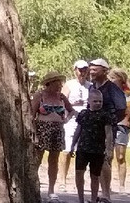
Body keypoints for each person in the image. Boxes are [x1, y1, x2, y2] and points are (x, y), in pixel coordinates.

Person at [88, 57, 127, 203]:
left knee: (105, 159)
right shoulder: (92, 87)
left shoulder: (112, 88)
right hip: (92, 129)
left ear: (104, 71)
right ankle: (96, 195)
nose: (91, 72)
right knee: (94, 159)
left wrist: (110, 122)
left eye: (95, 69)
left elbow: (121, 109)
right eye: (91, 69)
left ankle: (106, 194)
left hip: (107, 129)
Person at [32, 70, 75, 201]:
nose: (60, 85)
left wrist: (66, 119)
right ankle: (34, 186)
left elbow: (71, 110)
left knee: (54, 160)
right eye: (57, 83)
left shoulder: (61, 97)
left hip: (57, 129)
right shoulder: (40, 95)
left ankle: (51, 190)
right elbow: (31, 114)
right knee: (37, 158)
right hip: (42, 129)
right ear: (50, 83)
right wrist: (33, 132)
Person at [72, 89, 116, 203]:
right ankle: (80, 199)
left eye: (100, 101)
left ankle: (93, 199)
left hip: (98, 150)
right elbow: (78, 130)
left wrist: (109, 149)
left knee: (95, 176)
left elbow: (109, 133)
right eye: (95, 101)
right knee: (79, 173)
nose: (98, 103)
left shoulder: (105, 115)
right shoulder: (83, 114)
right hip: (82, 148)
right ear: (89, 101)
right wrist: (72, 145)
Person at [63, 59, 91, 188]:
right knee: (67, 149)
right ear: (75, 70)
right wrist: (72, 105)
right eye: (80, 70)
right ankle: (62, 180)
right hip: (71, 120)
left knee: (83, 150)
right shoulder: (69, 84)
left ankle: (80, 181)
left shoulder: (90, 86)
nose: (82, 72)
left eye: (85, 70)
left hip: (86, 120)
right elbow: (62, 100)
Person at [107, 68, 130, 193]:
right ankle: (107, 185)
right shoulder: (107, 92)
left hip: (122, 126)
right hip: (110, 125)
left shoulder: (127, 93)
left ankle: (122, 186)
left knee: (121, 156)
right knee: (108, 156)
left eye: (114, 78)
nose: (111, 81)